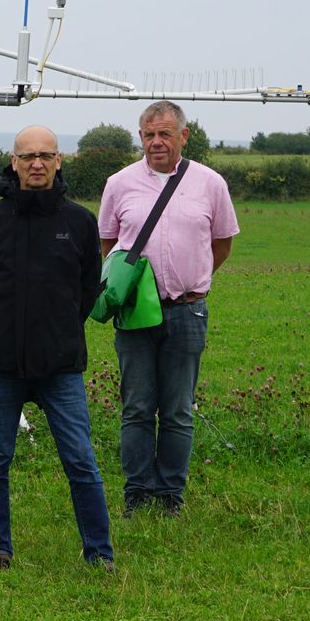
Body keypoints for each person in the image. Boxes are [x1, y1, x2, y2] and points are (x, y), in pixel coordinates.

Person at [0, 126, 116, 571]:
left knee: (81, 460)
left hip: (60, 365)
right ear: (13, 162)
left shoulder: (80, 222)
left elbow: (88, 292)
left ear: (59, 160)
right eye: (28, 156)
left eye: (45, 155)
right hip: (0, 364)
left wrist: (61, 331)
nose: (36, 163)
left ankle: (99, 553)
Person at [97, 100, 239, 517]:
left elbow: (223, 242)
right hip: (137, 314)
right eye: (147, 134)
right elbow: (109, 245)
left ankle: (170, 496)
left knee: (178, 410)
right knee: (137, 407)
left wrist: (191, 276)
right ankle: (137, 493)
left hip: (187, 310)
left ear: (183, 135)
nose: (155, 142)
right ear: (139, 136)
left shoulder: (210, 183)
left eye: (164, 134)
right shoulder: (119, 183)